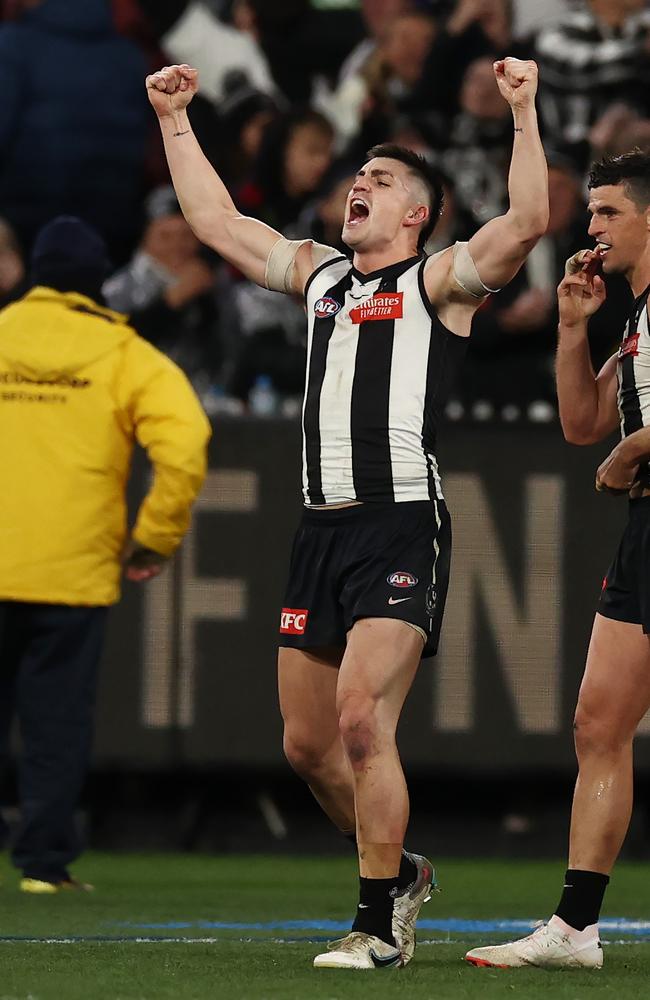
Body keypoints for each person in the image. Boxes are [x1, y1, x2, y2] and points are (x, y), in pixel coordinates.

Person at [146, 56, 548, 969]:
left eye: (383, 180)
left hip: (400, 522)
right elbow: (214, 222)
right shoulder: (324, 279)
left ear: (417, 214)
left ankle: (377, 928)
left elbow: (528, 220)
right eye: (357, 175)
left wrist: (524, 111)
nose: (359, 184)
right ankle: (400, 873)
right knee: (308, 746)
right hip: (317, 529)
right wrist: (174, 119)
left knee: (365, 720)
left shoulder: (438, 283)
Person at [465, 149, 650, 970]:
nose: (592, 227)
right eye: (592, 212)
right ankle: (575, 930)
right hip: (646, 531)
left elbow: (615, 443)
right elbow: (583, 425)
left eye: (608, 211)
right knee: (597, 723)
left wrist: (637, 447)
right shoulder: (637, 316)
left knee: (601, 723)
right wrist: (574, 325)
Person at [0, 216, 210, 892]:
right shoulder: (125, 354)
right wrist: (154, 536)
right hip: (72, 574)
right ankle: (42, 867)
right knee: (56, 727)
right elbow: (184, 446)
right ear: (96, 280)